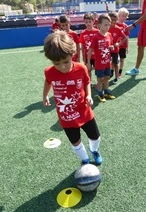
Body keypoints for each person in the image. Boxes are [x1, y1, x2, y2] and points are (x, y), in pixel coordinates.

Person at [43, 30, 102, 165]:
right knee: (75, 142)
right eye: (56, 63)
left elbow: (87, 82)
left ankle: (94, 151)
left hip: (84, 111)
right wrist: (45, 95)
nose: (62, 67)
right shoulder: (49, 72)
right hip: (66, 116)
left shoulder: (81, 68)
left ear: (72, 54)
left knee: (96, 137)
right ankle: (85, 159)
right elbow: (47, 82)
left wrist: (88, 95)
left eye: (66, 62)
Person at [87, 13, 116, 103]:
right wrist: (88, 62)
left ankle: (106, 92)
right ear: (99, 25)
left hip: (108, 62)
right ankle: (100, 93)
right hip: (99, 64)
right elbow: (90, 50)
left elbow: (110, 45)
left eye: (109, 24)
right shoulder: (96, 37)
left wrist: (112, 47)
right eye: (105, 24)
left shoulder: (109, 35)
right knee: (100, 79)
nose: (108, 27)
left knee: (107, 77)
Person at [108, 11, 128, 84]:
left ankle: (116, 77)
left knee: (115, 64)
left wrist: (119, 44)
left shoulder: (118, 29)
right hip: (107, 50)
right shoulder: (106, 28)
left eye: (114, 20)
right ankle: (107, 76)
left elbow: (125, 38)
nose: (113, 21)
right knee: (107, 64)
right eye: (111, 19)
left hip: (115, 51)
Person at [79, 12, 99, 80]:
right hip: (88, 56)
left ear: (93, 21)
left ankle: (98, 82)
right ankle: (88, 83)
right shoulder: (83, 33)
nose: (88, 23)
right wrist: (83, 57)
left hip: (96, 56)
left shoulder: (97, 32)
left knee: (98, 70)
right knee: (88, 70)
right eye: (86, 22)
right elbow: (82, 46)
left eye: (89, 21)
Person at [116, 7, 130, 79]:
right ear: (119, 15)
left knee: (122, 59)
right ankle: (113, 71)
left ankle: (119, 72)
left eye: (125, 16)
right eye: (122, 16)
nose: (124, 17)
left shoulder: (125, 26)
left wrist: (128, 47)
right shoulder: (115, 25)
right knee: (114, 60)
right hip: (115, 46)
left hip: (123, 46)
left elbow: (127, 37)